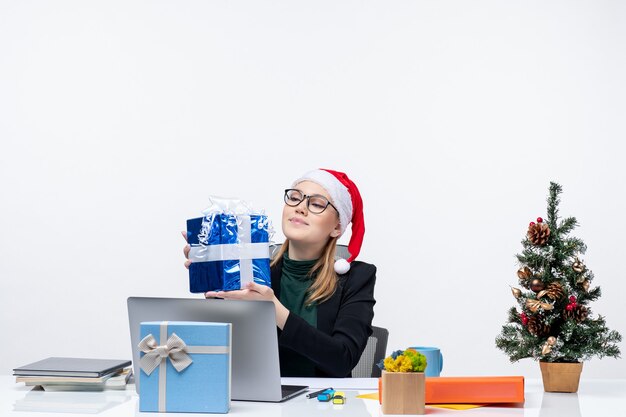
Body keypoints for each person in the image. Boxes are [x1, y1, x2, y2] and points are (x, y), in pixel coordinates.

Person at [183, 168, 376, 377]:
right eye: (294, 198)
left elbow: (342, 360)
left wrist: (274, 309)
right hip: (256, 402)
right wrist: (212, 276)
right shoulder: (253, 268)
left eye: (317, 204)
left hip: (324, 404)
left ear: (337, 228)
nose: (300, 208)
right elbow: (221, 349)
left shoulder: (357, 277)